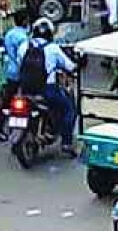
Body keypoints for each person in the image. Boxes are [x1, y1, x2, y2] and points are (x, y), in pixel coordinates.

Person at [23, 19, 78, 156]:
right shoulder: (53, 48)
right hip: (48, 90)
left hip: (25, 89)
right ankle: (66, 142)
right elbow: (70, 66)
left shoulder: (24, 46)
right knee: (70, 109)